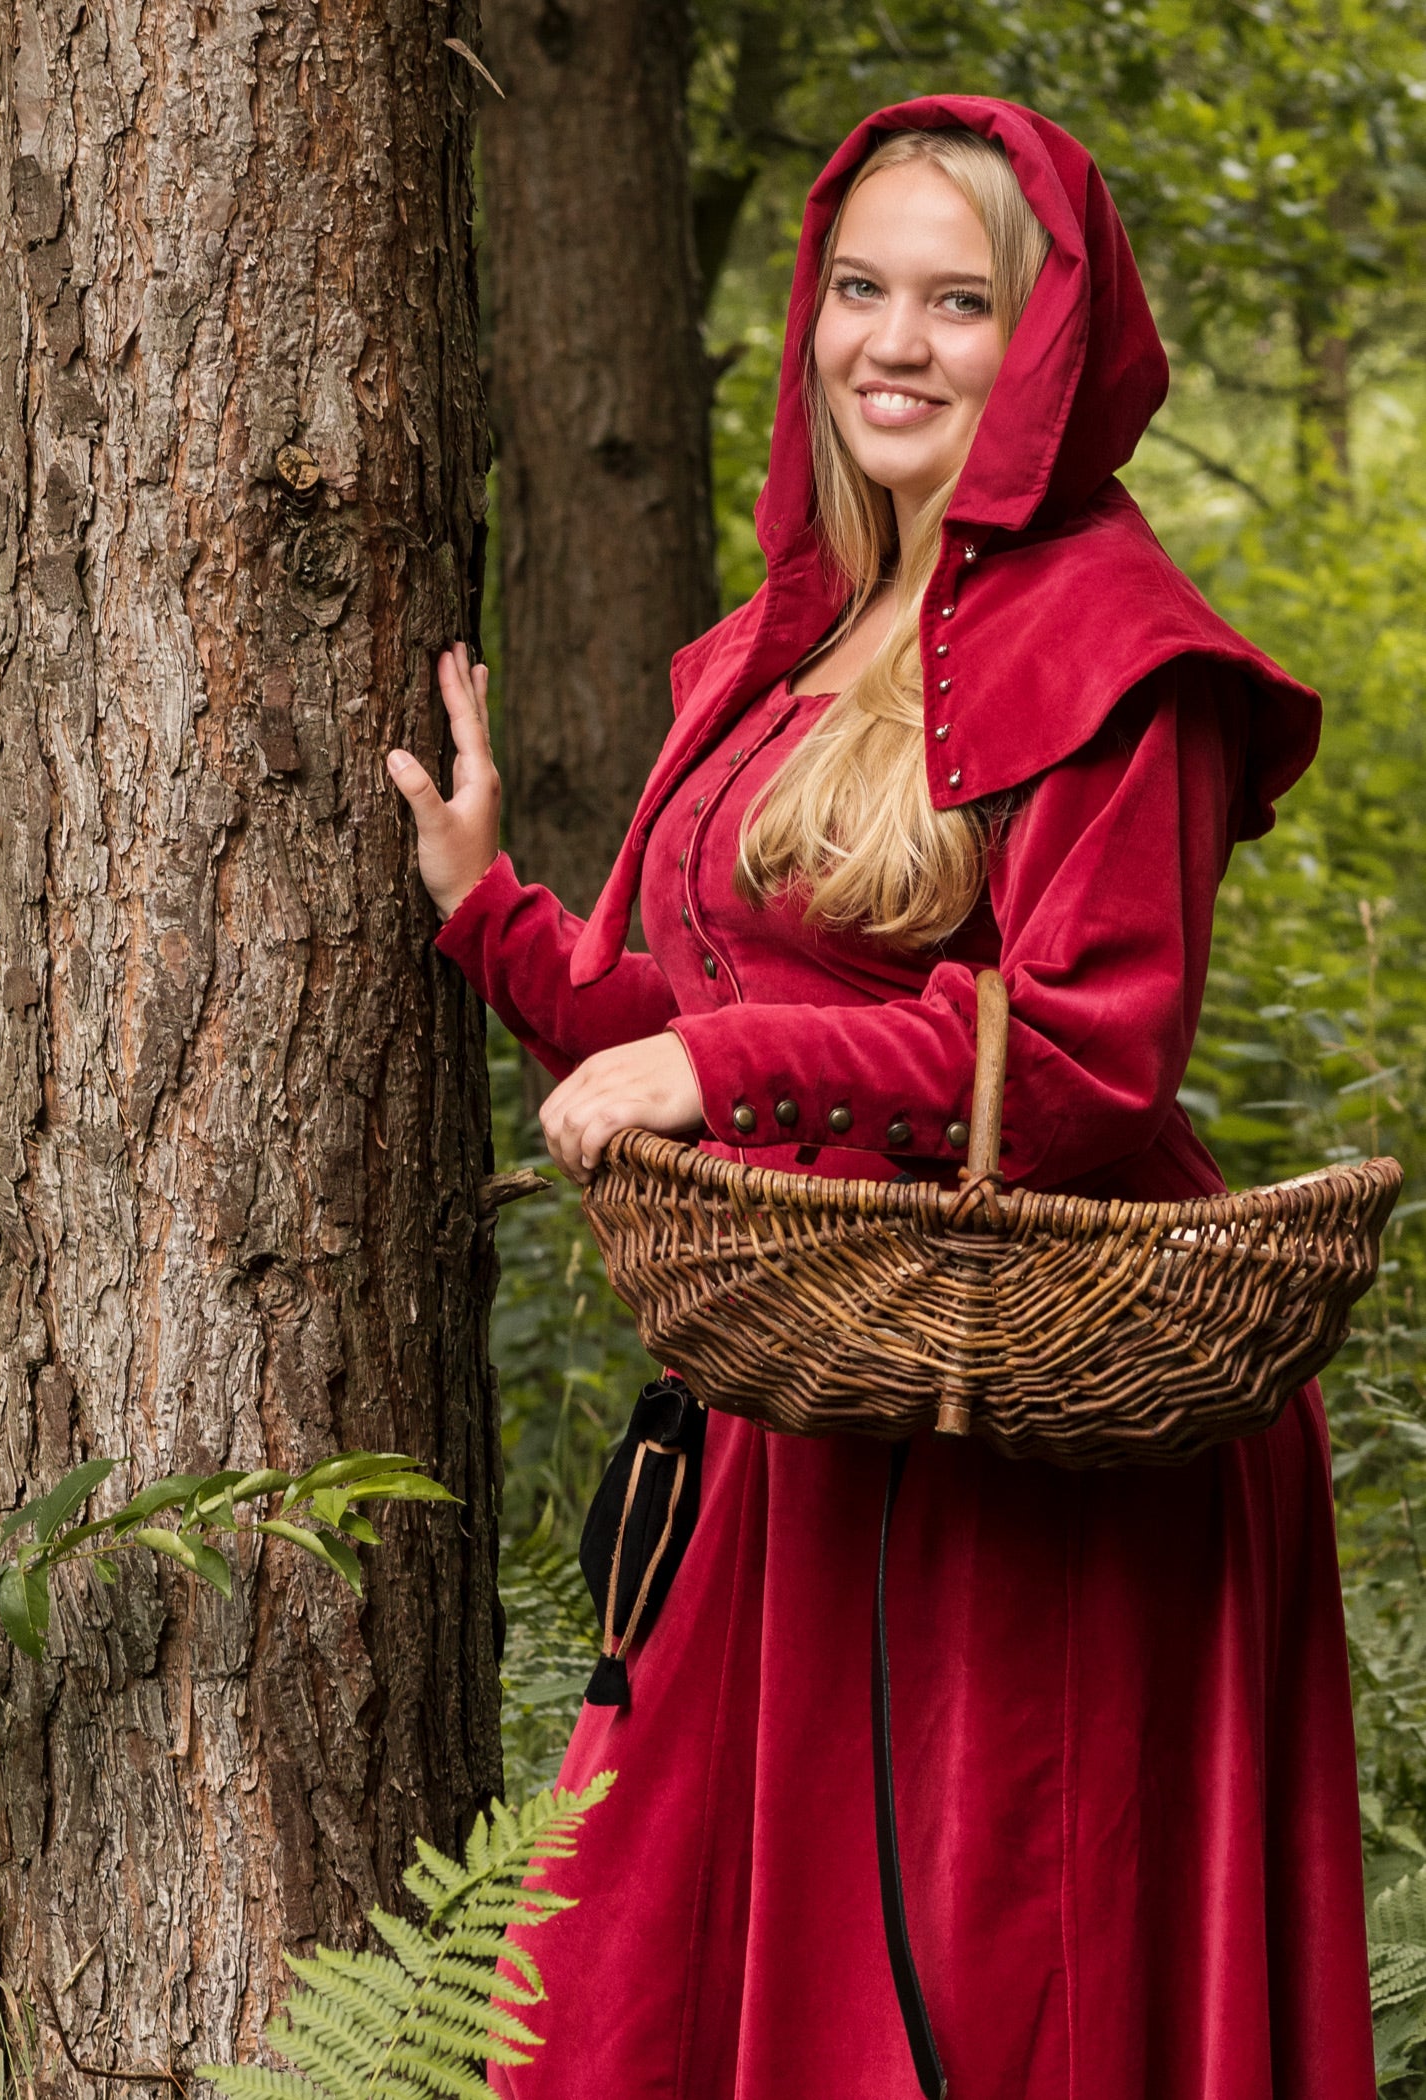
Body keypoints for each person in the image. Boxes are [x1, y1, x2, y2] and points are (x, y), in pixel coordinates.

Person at [387, 95, 1375, 2100]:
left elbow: (1092, 1059)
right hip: (816, 1401)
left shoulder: (1119, 649)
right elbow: (731, 1014)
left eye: (960, 302)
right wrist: (503, 920)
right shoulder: (794, 637)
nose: (891, 345)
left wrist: (716, 1057)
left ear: (1050, 349)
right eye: (858, 289)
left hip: (1050, 1416)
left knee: (1000, 1984)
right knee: (653, 1970)